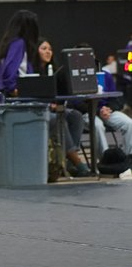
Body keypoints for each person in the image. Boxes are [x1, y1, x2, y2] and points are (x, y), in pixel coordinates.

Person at [35, 38, 90, 176]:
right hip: (37, 112)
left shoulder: (56, 72)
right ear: (35, 51)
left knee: (75, 116)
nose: (48, 52)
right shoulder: (31, 70)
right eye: (44, 49)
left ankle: (70, 162)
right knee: (59, 120)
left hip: (54, 109)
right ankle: (77, 162)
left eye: (50, 49)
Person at [0, 9, 40, 97]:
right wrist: (13, 89)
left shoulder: (10, 42)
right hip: (17, 94)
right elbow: (9, 68)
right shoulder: (18, 43)